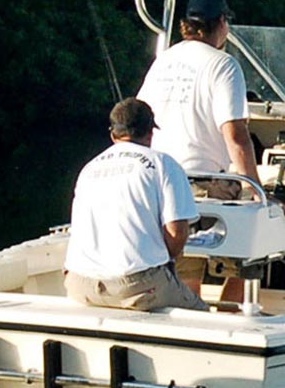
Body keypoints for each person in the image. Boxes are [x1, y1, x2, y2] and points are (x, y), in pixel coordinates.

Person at [62, 98, 210, 312]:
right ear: (150, 133)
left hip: (80, 285)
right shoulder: (164, 164)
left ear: (113, 135)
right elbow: (177, 233)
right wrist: (166, 262)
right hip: (135, 287)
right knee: (202, 316)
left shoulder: (88, 169)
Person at [139, 0, 259, 192]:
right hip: (200, 181)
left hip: (156, 178)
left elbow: (139, 119)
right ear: (222, 21)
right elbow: (236, 136)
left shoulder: (163, 59)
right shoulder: (223, 64)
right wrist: (257, 190)